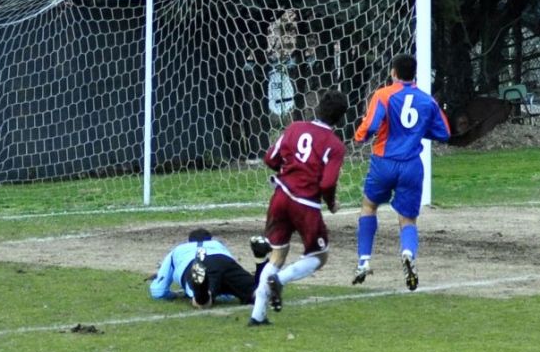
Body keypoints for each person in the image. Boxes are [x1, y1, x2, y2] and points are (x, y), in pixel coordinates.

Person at [248, 89, 349, 326]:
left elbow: (270, 158)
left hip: (280, 196)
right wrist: (331, 203)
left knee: (277, 255)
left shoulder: (294, 128)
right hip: (304, 204)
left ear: (317, 108)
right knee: (319, 256)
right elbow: (327, 183)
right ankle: (280, 280)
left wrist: (289, 171)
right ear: (340, 118)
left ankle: (258, 315)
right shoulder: (335, 145)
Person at [353, 54, 451, 290]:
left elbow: (371, 126)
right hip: (411, 166)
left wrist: (359, 136)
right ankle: (408, 253)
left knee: (369, 206)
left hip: (384, 162)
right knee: (407, 218)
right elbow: (444, 132)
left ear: (393, 73)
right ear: (414, 74)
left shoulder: (383, 95)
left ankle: (363, 261)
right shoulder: (427, 100)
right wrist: (417, 132)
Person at [149, 229, 271, 307]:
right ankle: (261, 260)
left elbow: (158, 291)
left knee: (203, 302)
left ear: (189, 241)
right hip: (223, 260)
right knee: (257, 293)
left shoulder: (178, 250)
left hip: (193, 262)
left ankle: (202, 292)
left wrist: (173, 295)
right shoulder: (218, 245)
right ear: (210, 240)